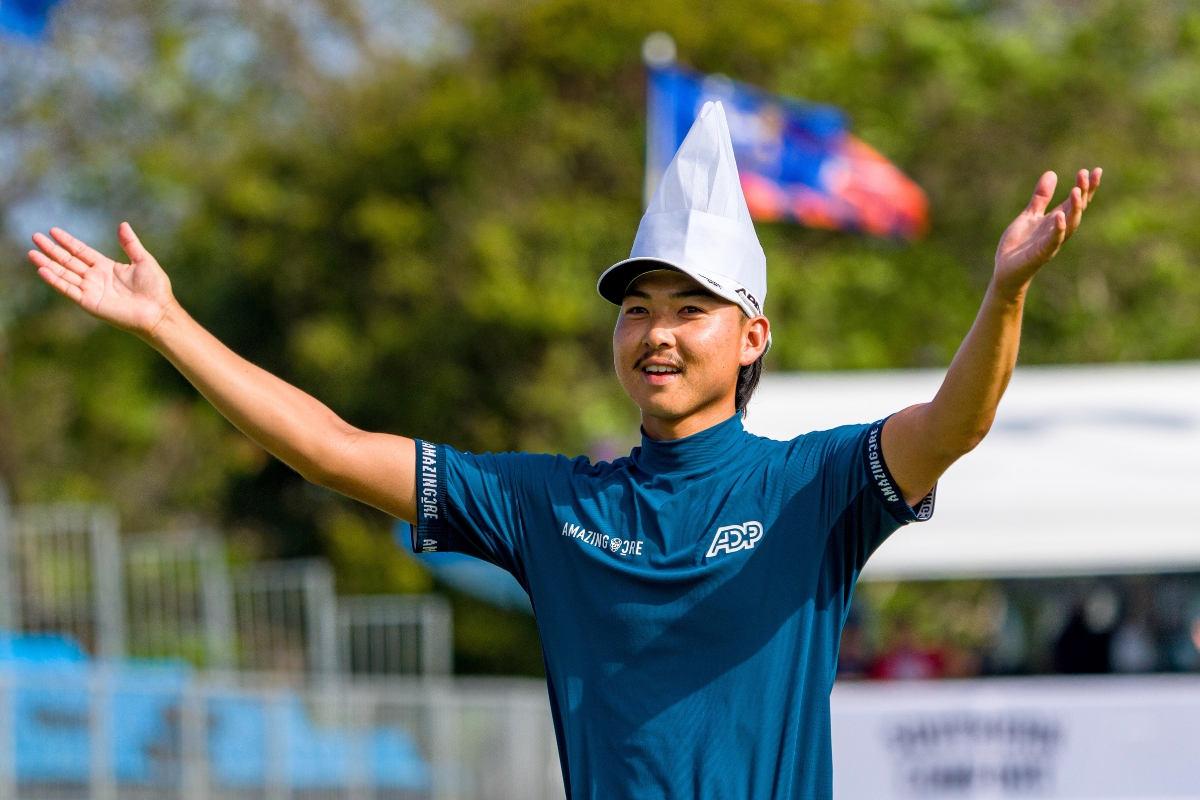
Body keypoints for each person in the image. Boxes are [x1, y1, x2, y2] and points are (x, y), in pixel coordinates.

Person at [27, 101, 1099, 799]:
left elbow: (955, 422)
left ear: (753, 336)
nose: (658, 332)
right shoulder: (552, 504)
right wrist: (171, 324)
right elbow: (333, 448)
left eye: (690, 307)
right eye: (638, 308)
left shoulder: (811, 484)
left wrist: (1004, 294)